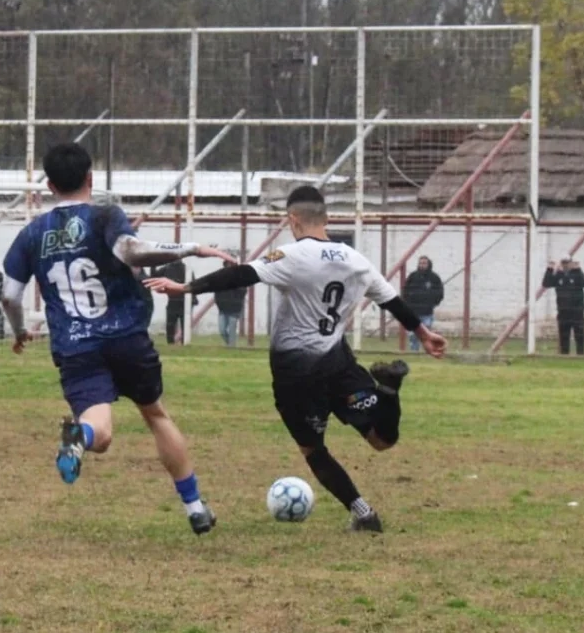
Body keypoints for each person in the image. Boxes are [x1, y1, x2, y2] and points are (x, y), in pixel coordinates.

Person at [145, 186, 447, 534]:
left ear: (292, 219)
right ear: (326, 219)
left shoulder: (292, 255)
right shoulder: (357, 260)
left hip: (297, 372)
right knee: (381, 439)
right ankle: (389, 392)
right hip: (338, 361)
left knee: (312, 448)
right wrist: (422, 334)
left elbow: (242, 274)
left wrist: (184, 289)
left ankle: (364, 513)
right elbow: (391, 300)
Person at [0, 143, 235, 536]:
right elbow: (132, 251)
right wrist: (193, 247)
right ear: (90, 178)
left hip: (75, 344)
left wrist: (20, 330)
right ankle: (194, 506)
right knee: (154, 413)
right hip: (125, 335)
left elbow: (9, 296)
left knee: (102, 434)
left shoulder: (30, 235)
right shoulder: (105, 216)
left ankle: (80, 436)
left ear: (50, 184)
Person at [542, 256, 584, 355]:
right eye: (564, 263)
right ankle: (564, 355)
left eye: (567, 263)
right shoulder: (559, 275)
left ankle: (581, 355)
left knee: (579, 335)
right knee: (564, 336)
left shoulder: (577, 274)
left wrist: (578, 269)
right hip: (563, 311)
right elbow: (546, 283)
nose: (566, 265)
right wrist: (550, 269)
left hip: (577, 312)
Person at [401, 256, 444, 352]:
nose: (422, 265)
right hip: (413, 312)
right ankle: (414, 352)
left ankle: (427, 351)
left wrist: (432, 303)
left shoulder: (434, 278)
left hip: (427, 313)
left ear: (428, 264)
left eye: (424, 263)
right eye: (420, 263)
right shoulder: (412, 277)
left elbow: (440, 293)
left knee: (426, 334)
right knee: (412, 335)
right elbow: (405, 291)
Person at [214, 261, 246, 347]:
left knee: (232, 330)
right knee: (222, 330)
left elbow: (243, 291)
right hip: (223, 308)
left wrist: (237, 301)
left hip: (234, 309)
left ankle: (232, 346)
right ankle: (230, 344)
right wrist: (218, 303)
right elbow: (216, 291)